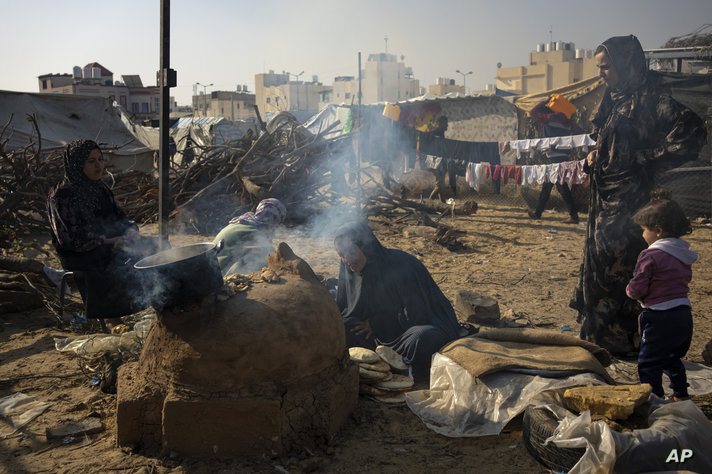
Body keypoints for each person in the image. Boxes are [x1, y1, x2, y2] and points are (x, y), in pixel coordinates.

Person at [571, 35, 706, 355]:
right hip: (602, 202)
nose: (601, 74)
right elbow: (611, 145)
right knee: (599, 269)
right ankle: (599, 339)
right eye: (599, 68)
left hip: (630, 206)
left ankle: (625, 344)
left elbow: (693, 133)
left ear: (627, 64)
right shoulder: (614, 99)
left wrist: (645, 159)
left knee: (621, 272)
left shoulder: (650, 99)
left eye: (606, 67)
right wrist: (595, 158)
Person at [333, 222, 464, 383]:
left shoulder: (402, 266)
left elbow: (417, 314)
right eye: (341, 254)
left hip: (409, 331)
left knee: (423, 338)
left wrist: (375, 324)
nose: (346, 260)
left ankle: (407, 372)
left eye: (351, 251)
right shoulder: (351, 273)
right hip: (377, 338)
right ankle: (381, 364)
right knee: (344, 329)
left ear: (365, 246)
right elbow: (347, 311)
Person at [47, 139, 157, 331]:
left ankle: (158, 300)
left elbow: (121, 218)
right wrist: (107, 241)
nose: (98, 165)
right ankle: (112, 320)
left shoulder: (101, 188)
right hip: (80, 253)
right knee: (100, 267)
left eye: (100, 159)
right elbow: (71, 239)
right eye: (91, 161)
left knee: (154, 248)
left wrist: (130, 231)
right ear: (77, 164)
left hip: (110, 243)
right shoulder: (62, 195)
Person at [626, 189, 696, 401]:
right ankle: (681, 394)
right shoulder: (683, 253)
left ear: (657, 230)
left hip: (659, 316)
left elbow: (638, 286)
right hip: (683, 314)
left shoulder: (651, 255)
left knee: (648, 363)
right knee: (671, 357)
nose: (642, 234)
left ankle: (652, 399)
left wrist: (629, 290)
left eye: (644, 229)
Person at [526, 98, 582, 224]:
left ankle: (574, 216)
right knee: (547, 185)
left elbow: (532, 113)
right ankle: (538, 212)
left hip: (554, 156)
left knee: (562, 187)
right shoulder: (568, 121)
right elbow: (579, 131)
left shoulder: (549, 117)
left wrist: (544, 101)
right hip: (563, 155)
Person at [213, 198, 287, 276]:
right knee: (262, 255)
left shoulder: (245, 221)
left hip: (212, 266)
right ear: (276, 219)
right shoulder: (255, 231)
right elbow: (270, 255)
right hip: (219, 273)